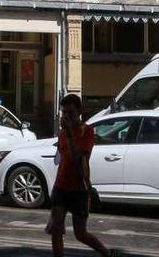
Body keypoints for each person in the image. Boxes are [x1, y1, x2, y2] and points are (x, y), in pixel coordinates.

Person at [47, 94, 115, 257]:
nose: (67, 116)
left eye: (70, 113)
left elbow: (78, 160)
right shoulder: (62, 134)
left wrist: (70, 134)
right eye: (64, 113)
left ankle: (105, 252)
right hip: (61, 186)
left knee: (80, 233)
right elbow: (62, 158)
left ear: (79, 112)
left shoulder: (87, 131)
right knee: (56, 229)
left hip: (78, 189)